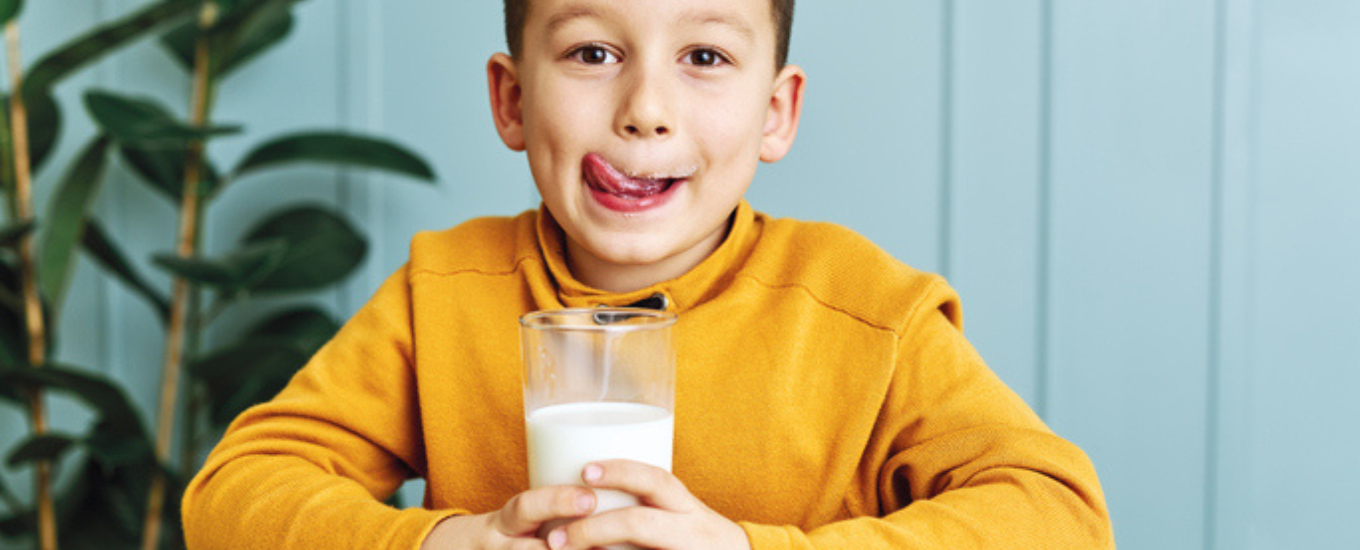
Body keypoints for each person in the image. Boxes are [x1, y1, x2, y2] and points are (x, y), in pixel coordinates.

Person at [181, 0, 1115, 548]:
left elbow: (1057, 514)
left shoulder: (867, 313)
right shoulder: (446, 293)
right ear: (511, 98)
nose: (646, 110)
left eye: (704, 57)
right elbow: (237, 489)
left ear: (775, 114)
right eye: (593, 52)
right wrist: (436, 541)